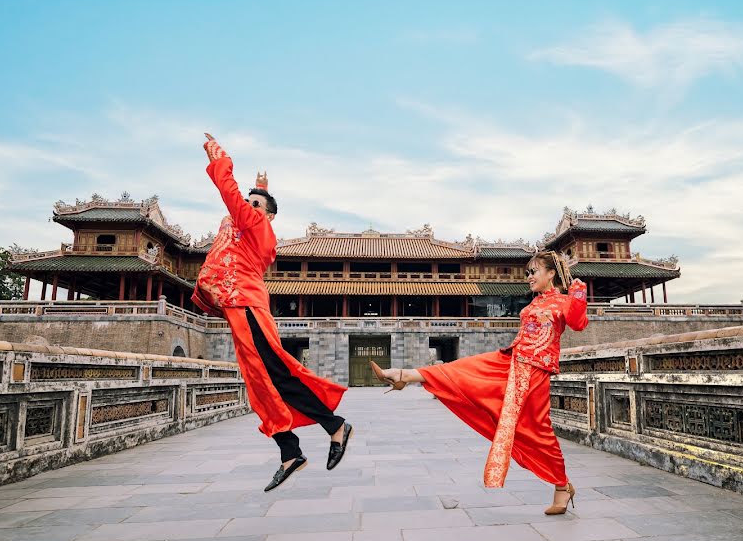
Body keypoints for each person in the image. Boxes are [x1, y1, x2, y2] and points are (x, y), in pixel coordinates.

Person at [193, 133, 353, 492]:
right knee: (259, 383)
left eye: (256, 203)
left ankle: (335, 425)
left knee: (277, 374)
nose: (247, 206)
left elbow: (231, 195)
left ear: (269, 216)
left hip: (247, 304)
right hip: (237, 308)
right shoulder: (246, 223)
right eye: (248, 202)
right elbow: (241, 206)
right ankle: (290, 451)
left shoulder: (256, 225)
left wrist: (219, 157)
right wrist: (261, 188)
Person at [371, 251, 588, 514]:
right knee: (465, 371)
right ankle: (403, 375)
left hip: (534, 373)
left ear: (551, 273)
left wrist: (577, 293)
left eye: (534, 272)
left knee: (537, 432)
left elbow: (578, 323)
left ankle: (561, 486)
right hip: (511, 361)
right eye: (527, 273)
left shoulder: (564, 301)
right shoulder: (533, 304)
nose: (529, 277)